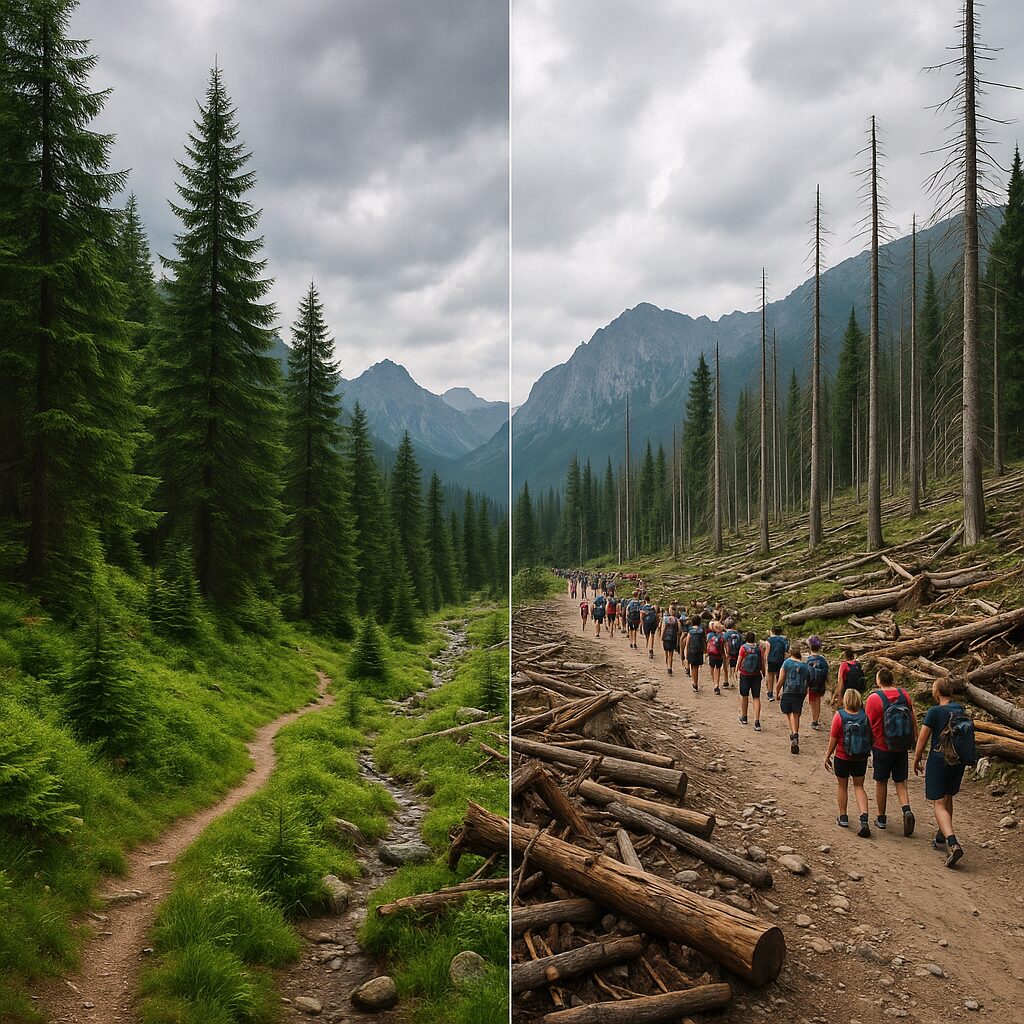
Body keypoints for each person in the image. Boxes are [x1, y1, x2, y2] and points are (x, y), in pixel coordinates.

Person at [913, 677, 975, 867]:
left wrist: (916, 759)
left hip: (939, 759)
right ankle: (941, 835)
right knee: (948, 796)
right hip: (957, 760)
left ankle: (952, 842)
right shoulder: (960, 710)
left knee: (938, 803)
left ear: (937, 692)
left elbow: (923, 739)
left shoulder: (934, 712)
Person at [865, 668, 918, 836]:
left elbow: (868, 724)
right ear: (892, 679)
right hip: (901, 745)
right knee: (900, 781)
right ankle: (906, 810)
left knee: (881, 781)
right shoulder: (904, 695)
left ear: (879, 680)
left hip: (881, 746)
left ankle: (881, 818)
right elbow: (912, 718)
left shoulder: (874, 698)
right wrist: (914, 741)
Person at [825, 688, 872, 838]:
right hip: (860, 757)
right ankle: (864, 818)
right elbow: (871, 737)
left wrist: (827, 755)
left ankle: (843, 817)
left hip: (842, 756)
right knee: (859, 786)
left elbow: (833, 738)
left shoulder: (840, 715)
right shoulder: (865, 717)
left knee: (842, 786)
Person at [776, 642, 810, 754]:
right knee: (796, 714)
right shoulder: (805, 666)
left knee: (788, 712)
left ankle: (794, 733)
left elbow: (781, 679)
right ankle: (794, 733)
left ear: (790, 652)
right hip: (800, 692)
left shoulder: (787, 663)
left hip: (788, 691)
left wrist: (777, 691)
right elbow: (807, 681)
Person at [737, 630, 764, 731]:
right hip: (756, 675)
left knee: (744, 696)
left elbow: (739, 660)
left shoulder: (743, 648)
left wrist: (736, 671)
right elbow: (762, 662)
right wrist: (764, 673)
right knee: (756, 697)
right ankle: (757, 721)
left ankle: (744, 717)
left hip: (745, 674)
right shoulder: (758, 649)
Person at [805, 635, 829, 731]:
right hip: (820, 685)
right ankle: (816, 720)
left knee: (812, 702)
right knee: (818, 701)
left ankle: (814, 719)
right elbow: (827, 672)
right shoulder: (823, 660)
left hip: (811, 685)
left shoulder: (808, 660)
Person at [765, 625, 788, 703]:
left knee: (770, 676)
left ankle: (770, 694)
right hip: (781, 660)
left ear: (772, 631)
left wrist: (766, 660)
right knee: (780, 677)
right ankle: (778, 693)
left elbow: (767, 651)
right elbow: (786, 652)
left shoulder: (769, 640)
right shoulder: (784, 640)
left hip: (771, 660)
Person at [684, 615, 706, 694]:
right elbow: (704, 641)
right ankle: (695, 683)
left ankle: (694, 684)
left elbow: (687, 643)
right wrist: (705, 650)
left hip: (692, 651)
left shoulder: (690, 631)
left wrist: (686, 653)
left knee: (693, 667)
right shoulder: (701, 631)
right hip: (699, 651)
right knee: (696, 667)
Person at [706, 621, 725, 695]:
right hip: (719, 655)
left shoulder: (710, 635)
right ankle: (716, 684)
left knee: (712, 668)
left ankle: (714, 681)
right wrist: (725, 654)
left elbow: (707, 644)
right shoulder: (722, 636)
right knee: (718, 669)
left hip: (712, 655)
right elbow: (724, 646)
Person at [723, 618, 742, 689]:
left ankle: (726, 681)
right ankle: (734, 681)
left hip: (727, 653)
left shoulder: (725, 635)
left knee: (726, 667)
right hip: (737, 653)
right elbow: (741, 644)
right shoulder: (739, 635)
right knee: (735, 667)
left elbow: (723, 643)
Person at [662, 605, 681, 676]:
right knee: (671, 653)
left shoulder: (666, 619)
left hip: (666, 638)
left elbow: (663, 629)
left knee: (666, 652)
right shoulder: (677, 620)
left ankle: (667, 664)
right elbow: (679, 631)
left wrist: (662, 636)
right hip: (673, 638)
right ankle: (670, 667)